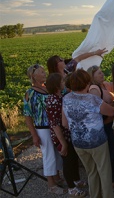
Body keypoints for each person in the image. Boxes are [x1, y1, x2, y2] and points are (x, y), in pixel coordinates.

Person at [62, 69, 114, 198]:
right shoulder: (92, 99)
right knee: (104, 173)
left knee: (91, 172)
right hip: (97, 141)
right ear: (87, 83)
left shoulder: (66, 98)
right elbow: (111, 112)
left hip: (78, 142)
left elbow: (64, 123)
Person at [23, 64, 65, 194]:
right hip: (42, 128)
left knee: (56, 152)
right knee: (49, 155)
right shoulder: (30, 93)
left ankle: (57, 176)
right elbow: (28, 115)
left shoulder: (47, 88)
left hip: (53, 126)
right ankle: (51, 184)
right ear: (33, 76)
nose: (44, 73)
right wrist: (34, 135)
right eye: (41, 72)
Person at [45, 73, 86, 197]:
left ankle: (76, 180)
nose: (64, 82)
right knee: (67, 161)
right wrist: (62, 142)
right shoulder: (52, 100)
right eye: (62, 81)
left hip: (68, 134)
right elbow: (55, 124)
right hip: (61, 136)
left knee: (73, 158)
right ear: (57, 85)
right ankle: (71, 188)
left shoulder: (61, 96)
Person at [87, 65, 114, 189]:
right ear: (92, 76)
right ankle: (111, 180)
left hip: (111, 122)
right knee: (109, 152)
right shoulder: (94, 89)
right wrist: (111, 110)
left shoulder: (103, 86)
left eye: (102, 72)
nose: (102, 74)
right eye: (99, 73)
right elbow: (97, 109)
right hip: (106, 125)